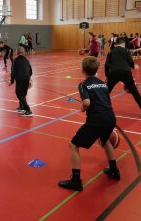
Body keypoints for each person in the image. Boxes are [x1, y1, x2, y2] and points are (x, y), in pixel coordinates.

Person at [58, 56, 119, 191]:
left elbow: (86, 102)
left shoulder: (83, 84)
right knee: (105, 140)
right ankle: (114, 170)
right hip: (111, 117)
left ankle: (76, 181)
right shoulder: (103, 83)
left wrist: (82, 108)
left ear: (82, 70)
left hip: (97, 120)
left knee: (73, 145)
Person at [105, 37, 141, 117]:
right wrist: (133, 66)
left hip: (113, 72)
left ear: (115, 44)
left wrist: (107, 76)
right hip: (126, 72)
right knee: (134, 91)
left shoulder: (110, 52)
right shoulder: (127, 50)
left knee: (106, 92)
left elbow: (107, 65)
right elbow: (131, 62)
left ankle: (100, 108)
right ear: (123, 44)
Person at [8, 46, 33, 117]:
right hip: (26, 78)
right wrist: (28, 78)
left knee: (19, 94)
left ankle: (28, 110)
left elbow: (13, 72)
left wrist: (12, 81)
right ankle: (21, 106)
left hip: (20, 79)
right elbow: (30, 71)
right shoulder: (26, 60)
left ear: (17, 52)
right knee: (23, 94)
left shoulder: (16, 60)